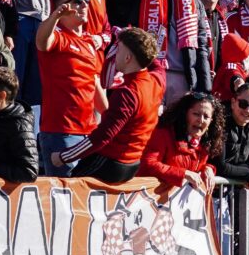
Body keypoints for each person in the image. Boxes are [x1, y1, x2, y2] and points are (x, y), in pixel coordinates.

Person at [51, 28, 166, 183]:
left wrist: (64, 156)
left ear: (127, 57)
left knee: (69, 191)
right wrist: (140, 42)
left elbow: (102, 136)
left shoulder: (128, 93)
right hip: (132, 164)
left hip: (111, 163)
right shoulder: (157, 80)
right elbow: (157, 65)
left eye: (118, 50)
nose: (114, 54)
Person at [35, 0, 105, 176]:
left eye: (86, 1)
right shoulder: (58, 37)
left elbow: (94, 85)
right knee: (63, 199)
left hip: (89, 133)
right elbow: (41, 41)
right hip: (62, 133)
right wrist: (56, 16)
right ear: (62, 7)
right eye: (78, 1)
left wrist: (109, 120)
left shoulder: (90, 43)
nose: (84, 5)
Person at [140, 91, 224, 191]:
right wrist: (183, 174)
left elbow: (193, 168)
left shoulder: (206, 144)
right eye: (196, 114)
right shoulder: (163, 134)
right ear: (185, 114)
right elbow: (148, 164)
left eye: (206, 117)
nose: (201, 120)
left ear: (211, 121)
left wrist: (208, 168)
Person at [217, 78, 249, 187]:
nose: (247, 110)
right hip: (213, 189)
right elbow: (220, 166)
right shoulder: (220, 121)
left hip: (234, 190)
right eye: (243, 104)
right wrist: (246, 174)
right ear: (233, 102)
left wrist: (246, 173)